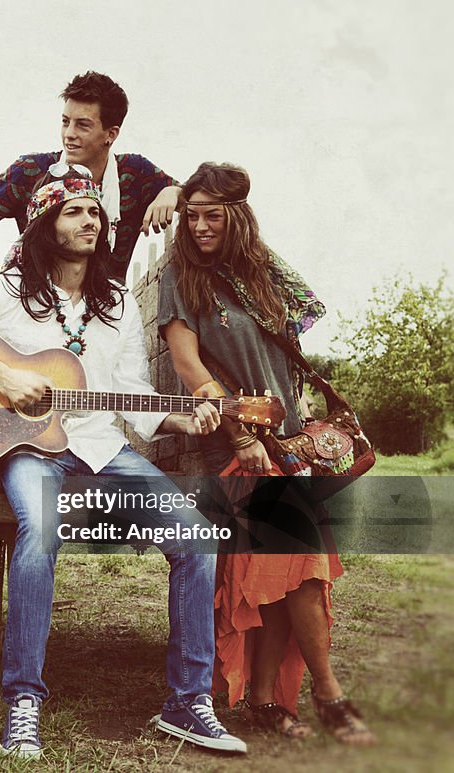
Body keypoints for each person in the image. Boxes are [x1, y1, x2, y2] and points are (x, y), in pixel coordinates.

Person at [0, 172, 247, 758]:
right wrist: (2, 374)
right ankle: (24, 702)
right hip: (30, 449)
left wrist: (182, 419)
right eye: (73, 212)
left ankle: (187, 703)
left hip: (100, 447)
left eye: (95, 212)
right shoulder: (8, 289)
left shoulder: (114, 305)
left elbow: (133, 394)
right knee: (40, 534)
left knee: (196, 537)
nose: (89, 221)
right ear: (46, 223)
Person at [158, 162, 376, 745]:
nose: (200, 226)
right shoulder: (178, 273)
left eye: (213, 215)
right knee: (299, 565)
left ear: (239, 217)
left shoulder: (264, 272)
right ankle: (327, 696)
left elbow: (291, 347)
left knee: (283, 572)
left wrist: (296, 426)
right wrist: (240, 434)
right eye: (192, 215)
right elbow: (187, 365)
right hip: (228, 446)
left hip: (285, 444)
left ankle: (265, 701)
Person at [0, 71, 182, 283]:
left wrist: (174, 192)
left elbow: (204, 201)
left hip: (107, 314)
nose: (69, 134)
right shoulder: (31, 170)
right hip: (34, 307)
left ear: (111, 134)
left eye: (83, 126)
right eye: (65, 122)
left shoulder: (135, 173)